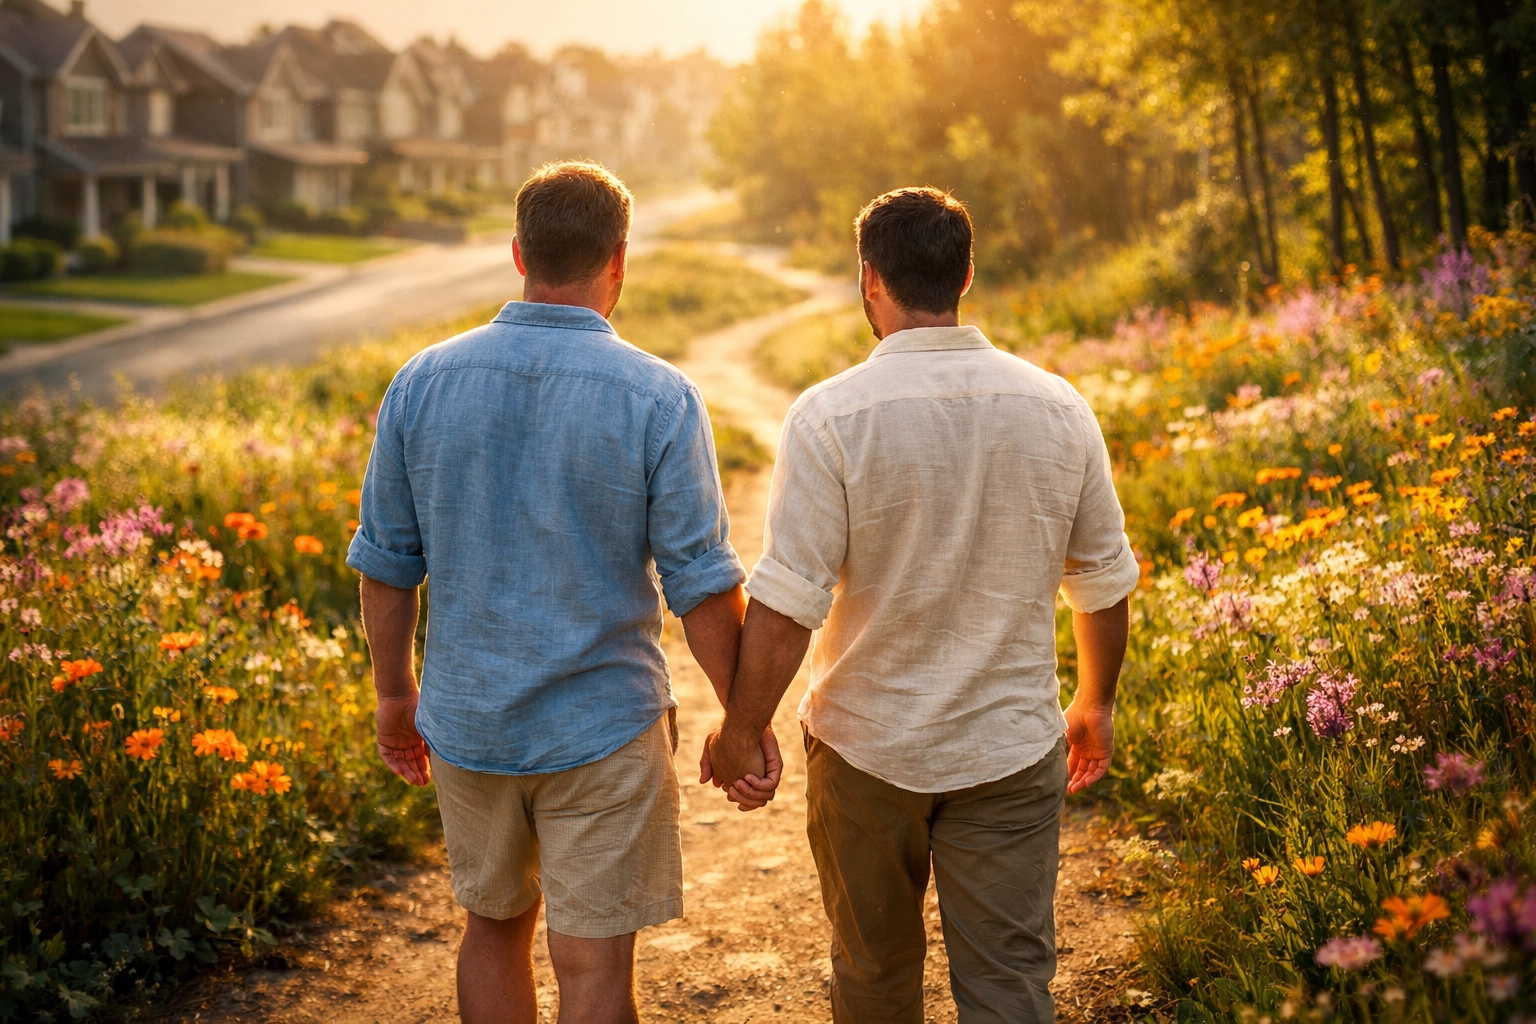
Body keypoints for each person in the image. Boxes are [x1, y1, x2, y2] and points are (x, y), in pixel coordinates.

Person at [348, 160, 780, 1024]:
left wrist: (396, 694)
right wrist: (742, 721)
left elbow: (388, 564)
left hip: (468, 724)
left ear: (519, 253)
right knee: (592, 968)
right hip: (603, 726)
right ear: (620, 261)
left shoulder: (421, 381)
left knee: (493, 929)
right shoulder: (660, 397)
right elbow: (700, 583)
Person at [705, 187, 1138, 1023]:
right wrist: (1096, 700)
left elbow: (789, 603)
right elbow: (1104, 581)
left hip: (867, 749)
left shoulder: (829, 417)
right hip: (1009, 747)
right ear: (966, 274)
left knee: (873, 978)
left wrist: (741, 727)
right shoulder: (1059, 408)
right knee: (1010, 984)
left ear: (870, 279)